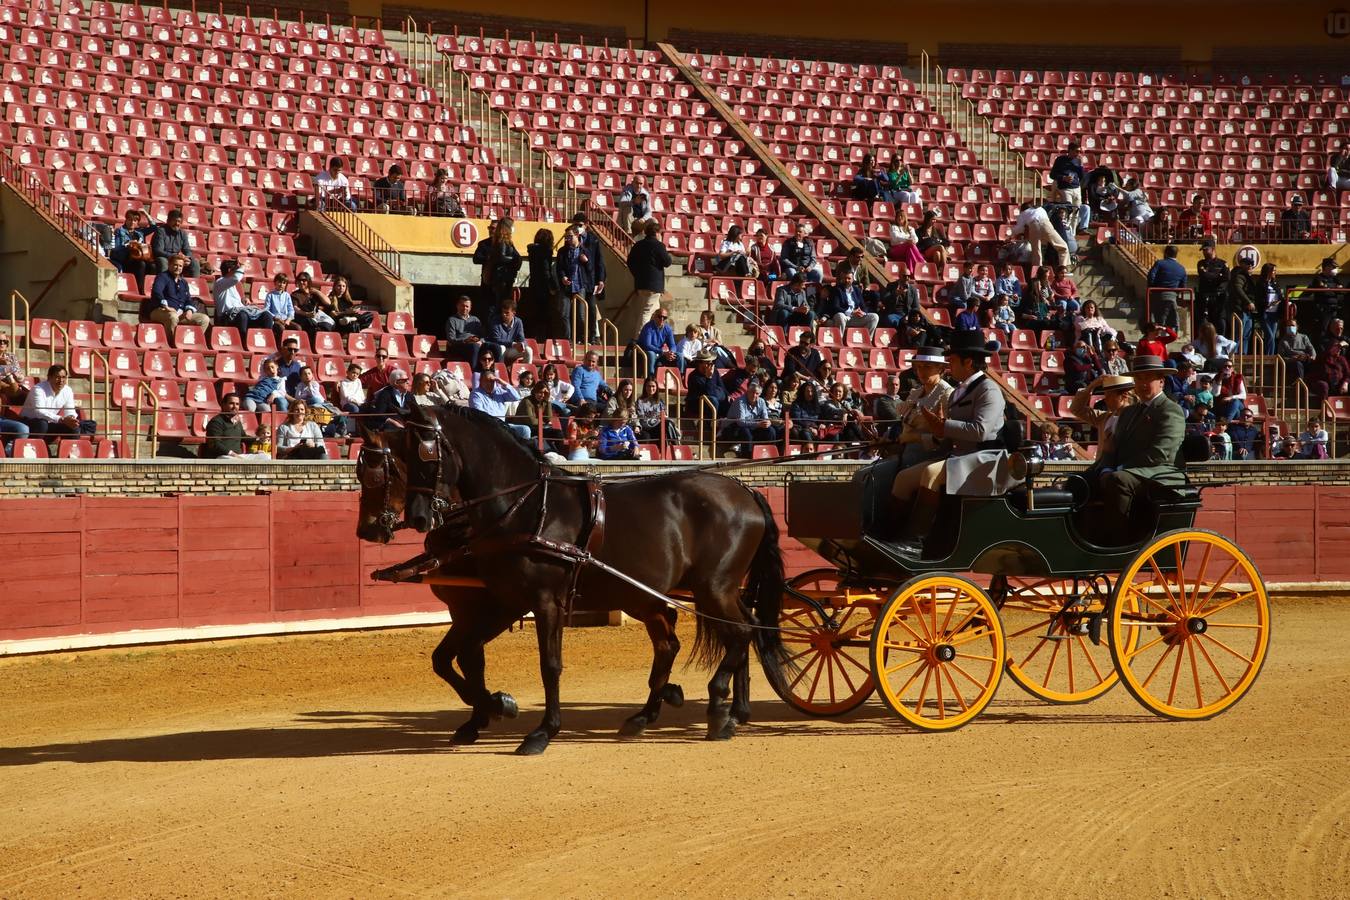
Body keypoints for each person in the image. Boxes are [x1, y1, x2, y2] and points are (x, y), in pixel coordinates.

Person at [885, 332, 1016, 549]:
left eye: (953, 360)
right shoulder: (958, 393)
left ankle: (915, 542)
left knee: (930, 474)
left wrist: (943, 426)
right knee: (904, 478)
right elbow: (948, 434)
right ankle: (891, 535)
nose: (949, 365)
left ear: (968, 362)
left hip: (986, 459)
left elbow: (981, 431)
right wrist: (935, 435)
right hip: (959, 458)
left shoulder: (989, 390)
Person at [1088, 355, 1186, 538]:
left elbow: (1159, 453)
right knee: (1083, 479)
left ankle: (1118, 539)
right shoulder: (1129, 412)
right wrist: (1103, 468)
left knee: (1118, 479)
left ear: (1161, 382)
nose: (1142, 383)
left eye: (1148, 378)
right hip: (1129, 472)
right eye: (1139, 378)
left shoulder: (1170, 410)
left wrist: (1118, 468)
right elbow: (1113, 447)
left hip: (1160, 475)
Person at [891, 347, 954, 465]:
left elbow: (945, 438)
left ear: (940, 368)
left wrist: (914, 437)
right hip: (906, 455)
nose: (921, 371)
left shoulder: (947, 394)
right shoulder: (915, 393)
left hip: (930, 459)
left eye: (927, 367)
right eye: (919, 367)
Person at [1068, 373, 1135, 459]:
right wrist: (1091, 386)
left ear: (1124, 396)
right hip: (1102, 470)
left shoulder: (1137, 418)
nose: (1105, 400)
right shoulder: (1103, 418)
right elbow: (1076, 409)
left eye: (1109, 395)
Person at [19, 364, 93, 440]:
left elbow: (70, 411)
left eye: (64, 377)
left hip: (48, 423)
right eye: (57, 377)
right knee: (42, 424)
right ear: (49, 378)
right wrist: (62, 419)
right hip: (28, 422)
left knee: (73, 427)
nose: (61, 381)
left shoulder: (67, 390)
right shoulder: (38, 389)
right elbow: (39, 412)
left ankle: (71, 451)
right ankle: (34, 448)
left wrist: (71, 419)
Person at [625, 220, 673, 337]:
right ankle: (639, 338)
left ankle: (652, 337)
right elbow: (667, 262)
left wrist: (637, 275)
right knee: (646, 312)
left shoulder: (638, 245)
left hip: (641, 283)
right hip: (653, 285)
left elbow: (630, 262)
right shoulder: (659, 245)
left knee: (654, 312)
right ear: (657, 233)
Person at [144, 254, 211, 336]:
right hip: (160, 310)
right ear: (169, 265)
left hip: (180, 313)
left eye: (180, 266)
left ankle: (193, 341)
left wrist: (189, 310)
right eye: (175, 265)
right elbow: (156, 292)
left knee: (204, 319)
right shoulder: (162, 277)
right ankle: (172, 343)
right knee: (173, 316)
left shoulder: (183, 282)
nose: (178, 268)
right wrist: (166, 306)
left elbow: (188, 299)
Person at [473, 217, 523, 322]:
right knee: (490, 308)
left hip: (503, 280)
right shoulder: (484, 244)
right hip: (490, 280)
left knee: (500, 307)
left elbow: (516, 258)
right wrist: (489, 259)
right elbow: (476, 258)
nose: (491, 230)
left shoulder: (507, 242)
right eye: (490, 228)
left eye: (494, 228)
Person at [570, 214, 607, 343]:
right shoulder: (570, 238)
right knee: (580, 311)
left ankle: (592, 336)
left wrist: (600, 280)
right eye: (575, 224)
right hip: (577, 279)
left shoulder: (593, 240)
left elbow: (599, 261)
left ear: (586, 225)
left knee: (591, 309)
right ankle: (581, 337)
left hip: (590, 279)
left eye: (580, 225)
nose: (577, 227)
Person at [212, 259, 274, 335]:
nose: (238, 271)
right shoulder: (220, 282)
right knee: (242, 315)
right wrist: (242, 266)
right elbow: (236, 278)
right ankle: (242, 341)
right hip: (227, 317)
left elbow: (233, 299)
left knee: (266, 315)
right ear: (229, 270)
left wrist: (243, 300)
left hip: (238, 313)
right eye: (236, 270)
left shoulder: (230, 284)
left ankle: (267, 339)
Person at [720, 379, 778, 457]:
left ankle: (768, 454)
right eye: (752, 392)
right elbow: (741, 422)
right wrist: (758, 424)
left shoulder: (761, 401)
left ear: (760, 394)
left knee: (771, 430)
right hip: (733, 428)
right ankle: (748, 456)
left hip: (752, 426)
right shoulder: (740, 402)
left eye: (757, 393)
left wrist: (768, 422)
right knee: (745, 432)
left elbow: (765, 418)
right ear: (747, 392)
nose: (754, 395)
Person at [200, 392, 267, 460]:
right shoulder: (216, 422)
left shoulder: (237, 422)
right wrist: (232, 453)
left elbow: (243, 437)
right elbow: (215, 443)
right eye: (231, 403)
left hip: (238, 456)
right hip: (223, 456)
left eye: (237, 404)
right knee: (234, 460)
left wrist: (259, 439)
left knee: (264, 457)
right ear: (223, 405)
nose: (235, 406)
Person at [469, 368, 530, 440]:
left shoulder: (498, 391)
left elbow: (516, 397)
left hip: (503, 426)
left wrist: (503, 383)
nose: (489, 384)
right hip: (487, 427)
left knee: (525, 430)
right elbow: (479, 415)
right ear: (480, 381)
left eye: (491, 381)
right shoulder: (476, 394)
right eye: (486, 381)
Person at [555, 227, 594, 340]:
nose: (568, 239)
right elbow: (559, 268)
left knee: (581, 315)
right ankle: (567, 339)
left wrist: (586, 261)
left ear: (577, 235)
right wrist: (563, 277)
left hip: (580, 285)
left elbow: (590, 269)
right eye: (566, 237)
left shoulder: (585, 250)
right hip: (566, 286)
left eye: (570, 236)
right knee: (564, 313)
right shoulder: (562, 251)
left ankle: (582, 338)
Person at [1010, 204, 1068, 268]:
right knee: (1063, 247)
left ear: (1022, 209)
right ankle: (1063, 268)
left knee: (1036, 253)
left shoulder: (1023, 213)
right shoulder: (1041, 209)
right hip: (1046, 225)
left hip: (1034, 226)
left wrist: (1010, 234)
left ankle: (1038, 271)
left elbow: (1019, 229)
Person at [109, 208, 154, 288]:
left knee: (152, 266)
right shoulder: (119, 231)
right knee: (141, 264)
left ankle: (149, 288)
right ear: (126, 220)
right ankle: (140, 290)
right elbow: (116, 249)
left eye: (135, 220)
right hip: (125, 259)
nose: (132, 222)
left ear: (137, 222)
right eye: (130, 220)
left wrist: (145, 213)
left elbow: (154, 227)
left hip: (138, 257)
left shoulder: (140, 232)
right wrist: (127, 245)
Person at [1145, 244, 1186, 330]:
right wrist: (1175, 293)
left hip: (1158, 295)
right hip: (1172, 297)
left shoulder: (1160, 263)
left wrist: (1152, 288)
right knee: (1171, 321)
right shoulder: (1181, 268)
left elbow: (1151, 276)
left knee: (1156, 320)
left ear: (1166, 253)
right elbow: (1183, 285)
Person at [153, 209, 205, 277]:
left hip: (177, 258)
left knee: (194, 262)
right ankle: (165, 284)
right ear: (168, 220)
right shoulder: (161, 231)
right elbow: (158, 251)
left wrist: (188, 258)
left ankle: (194, 285)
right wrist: (175, 256)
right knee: (162, 261)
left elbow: (187, 250)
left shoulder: (182, 233)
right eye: (174, 221)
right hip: (165, 257)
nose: (177, 223)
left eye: (179, 221)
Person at [1303, 258, 1345, 340]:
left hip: (1334, 309)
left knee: (1335, 330)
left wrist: (1329, 288)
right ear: (1326, 267)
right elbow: (1323, 290)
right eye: (1333, 267)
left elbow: (1341, 290)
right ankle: (1320, 350)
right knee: (1323, 330)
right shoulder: (1318, 278)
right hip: (1323, 309)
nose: (1335, 269)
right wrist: (1334, 288)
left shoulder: (1335, 279)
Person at [1049, 141, 1088, 229]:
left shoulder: (1078, 161)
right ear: (1070, 151)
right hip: (1065, 188)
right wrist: (1063, 178)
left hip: (1076, 188)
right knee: (1068, 211)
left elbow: (1082, 176)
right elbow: (1052, 175)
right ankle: (1066, 231)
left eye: (1079, 152)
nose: (1078, 154)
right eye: (1076, 151)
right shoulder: (1060, 160)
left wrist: (1081, 165)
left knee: (1076, 212)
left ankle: (1072, 234)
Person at [1195, 244, 1230, 334]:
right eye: (1203, 250)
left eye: (1207, 250)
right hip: (1205, 296)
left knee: (1220, 321)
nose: (1204, 252)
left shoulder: (1222, 263)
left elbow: (1227, 277)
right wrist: (1218, 276)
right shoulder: (1201, 263)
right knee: (1204, 321)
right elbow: (1204, 276)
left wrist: (1211, 276)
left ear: (1213, 249)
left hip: (1219, 297)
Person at [684, 352, 728, 423]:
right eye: (707, 362)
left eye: (711, 362)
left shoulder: (715, 372)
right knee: (713, 399)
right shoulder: (694, 376)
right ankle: (711, 424)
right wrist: (709, 377)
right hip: (698, 403)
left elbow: (722, 387)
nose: (710, 365)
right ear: (699, 363)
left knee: (728, 400)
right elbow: (708, 393)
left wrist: (727, 395)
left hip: (714, 398)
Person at [444, 295, 487, 367]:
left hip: (476, 344)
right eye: (462, 306)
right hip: (459, 346)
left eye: (467, 306)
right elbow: (451, 339)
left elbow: (483, 335)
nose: (465, 308)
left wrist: (481, 341)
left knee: (495, 347)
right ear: (457, 306)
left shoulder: (475, 320)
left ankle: (495, 371)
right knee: (474, 346)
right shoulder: (452, 320)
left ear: (470, 308)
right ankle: (473, 371)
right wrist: (465, 341)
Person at [486, 300, 532, 367]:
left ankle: (525, 373)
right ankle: (501, 371)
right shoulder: (495, 321)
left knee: (528, 350)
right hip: (497, 350)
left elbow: (521, 338)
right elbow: (496, 340)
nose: (504, 314)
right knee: (501, 348)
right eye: (503, 312)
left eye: (507, 313)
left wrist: (522, 345)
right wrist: (513, 344)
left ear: (513, 313)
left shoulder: (518, 322)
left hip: (510, 350)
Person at [291, 272, 337, 337]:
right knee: (311, 323)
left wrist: (317, 292)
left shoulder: (313, 292)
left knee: (330, 322)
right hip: (304, 315)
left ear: (308, 281)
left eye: (304, 280)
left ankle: (320, 334)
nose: (301, 282)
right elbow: (296, 309)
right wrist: (307, 314)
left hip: (317, 314)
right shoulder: (295, 294)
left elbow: (328, 302)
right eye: (299, 280)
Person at [636, 307, 677, 376]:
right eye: (659, 316)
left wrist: (671, 352)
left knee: (679, 356)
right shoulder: (648, 327)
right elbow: (647, 345)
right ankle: (650, 377)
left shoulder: (668, 328)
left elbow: (672, 345)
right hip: (644, 351)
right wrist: (663, 352)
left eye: (664, 317)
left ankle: (680, 377)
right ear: (655, 316)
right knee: (651, 354)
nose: (662, 319)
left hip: (659, 352)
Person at [1255, 262, 1285, 354]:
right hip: (1265, 313)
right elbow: (1258, 298)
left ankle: (1270, 355)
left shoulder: (1275, 283)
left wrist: (1280, 301)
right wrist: (1267, 304)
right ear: (1268, 271)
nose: (1274, 273)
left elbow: (1280, 296)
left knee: (1273, 336)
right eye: (1273, 271)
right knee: (1270, 336)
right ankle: (1268, 356)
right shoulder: (1260, 284)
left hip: (1274, 313)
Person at [1312, 339, 1350, 403]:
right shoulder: (1323, 357)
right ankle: (1325, 410)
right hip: (1325, 382)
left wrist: (1345, 383)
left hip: (1339, 384)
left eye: (1340, 348)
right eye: (1336, 347)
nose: (1339, 349)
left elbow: (1348, 374)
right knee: (1323, 385)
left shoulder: (1342, 359)